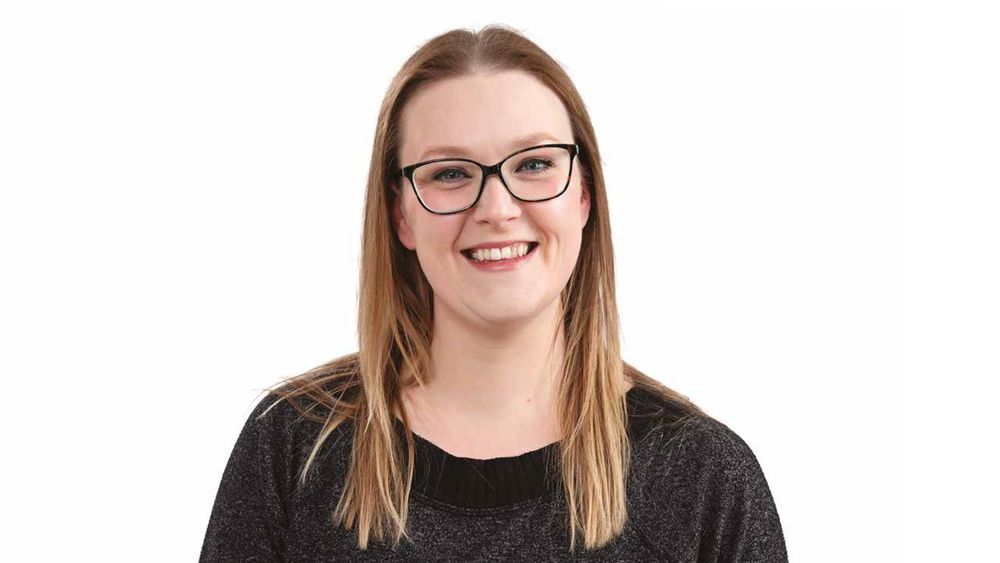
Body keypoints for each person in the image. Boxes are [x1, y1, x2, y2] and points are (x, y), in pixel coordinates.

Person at [200, 24, 788, 562]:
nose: (498, 208)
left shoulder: (704, 476)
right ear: (401, 216)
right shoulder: (293, 447)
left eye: (533, 164)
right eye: (450, 173)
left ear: (584, 195)